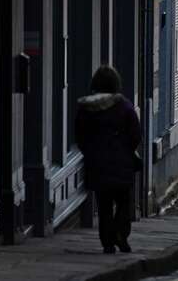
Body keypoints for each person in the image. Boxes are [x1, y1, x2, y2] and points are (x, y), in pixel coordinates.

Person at [75, 65, 141, 254]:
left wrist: (91, 151)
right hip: (121, 163)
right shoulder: (125, 106)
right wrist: (126, 149)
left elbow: (80, 135)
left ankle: (108, 243)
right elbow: (136, 134)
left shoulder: (86, 108)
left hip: (97, 163)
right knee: (123, 202)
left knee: (103, 205)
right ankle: (121, 234)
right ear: (115, 84)